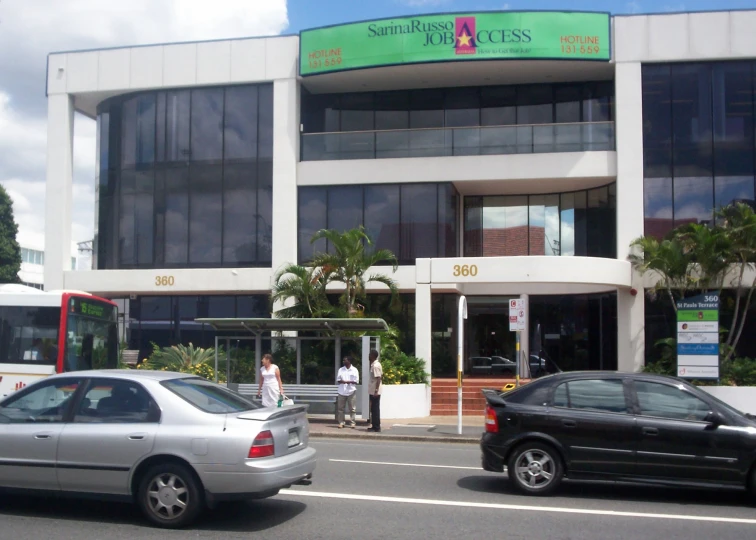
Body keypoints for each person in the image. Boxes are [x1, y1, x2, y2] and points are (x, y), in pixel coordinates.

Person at [336, 355, 359, 429]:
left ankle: (352, 422)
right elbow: (338, 380)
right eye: (343, 360)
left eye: (345, 360)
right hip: (342, 391)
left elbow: (356, 381)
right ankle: (341, 422)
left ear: (349, 361)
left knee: (352, 408)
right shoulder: (341, 369)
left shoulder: (354, 370)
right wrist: (343, 381)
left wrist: (349, 382)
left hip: (351, 391)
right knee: (340, 409)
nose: (343, 361)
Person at [368, 349, 382, 432]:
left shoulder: (376, 366)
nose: (369, 356)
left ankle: (376, 427)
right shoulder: (374, 364)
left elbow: (379, 378)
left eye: (370, 355)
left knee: (375, 408)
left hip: (375, 391)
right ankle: (374, 425)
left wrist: (376, 390)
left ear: (373, 356)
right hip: (373, 390)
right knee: (373, 408)